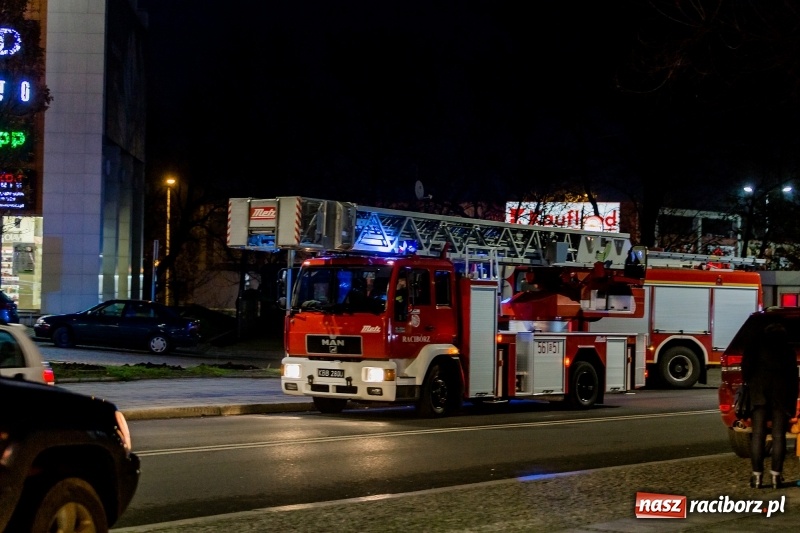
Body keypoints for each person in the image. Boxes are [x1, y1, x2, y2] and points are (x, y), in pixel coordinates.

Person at [742, 322, 799, 489]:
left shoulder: (756, 347)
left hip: (759, 394)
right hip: (781, 396)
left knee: (758, 435)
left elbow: (746, 370)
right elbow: (793, 379)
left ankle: (757, 477)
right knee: (778, 436)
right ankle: (776, 476)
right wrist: (792, 403)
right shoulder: (787, 350)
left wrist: (752, 384)